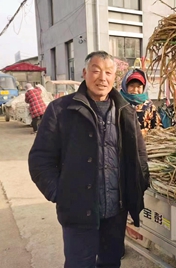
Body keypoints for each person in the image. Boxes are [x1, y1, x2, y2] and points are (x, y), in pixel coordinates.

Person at [28, 51, 149, 268]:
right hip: (79, 211)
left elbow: (139, 156)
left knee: (111, 263)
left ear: (114, 78)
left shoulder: (125, 112)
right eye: (96, 70)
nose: (102, 77)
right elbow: (40, 159)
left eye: (108, 72)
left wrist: (138, 188)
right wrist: (60, 193)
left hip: (116, 212)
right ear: (85, 73)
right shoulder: (61, 110)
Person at [120, 68, 161, 136]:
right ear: (126, 86)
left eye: (139, 86)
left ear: (144, 88)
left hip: (146, 145)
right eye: (132, 86)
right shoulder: (118, 103)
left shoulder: (149, 107)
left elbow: (158, 129)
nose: (135, 90)